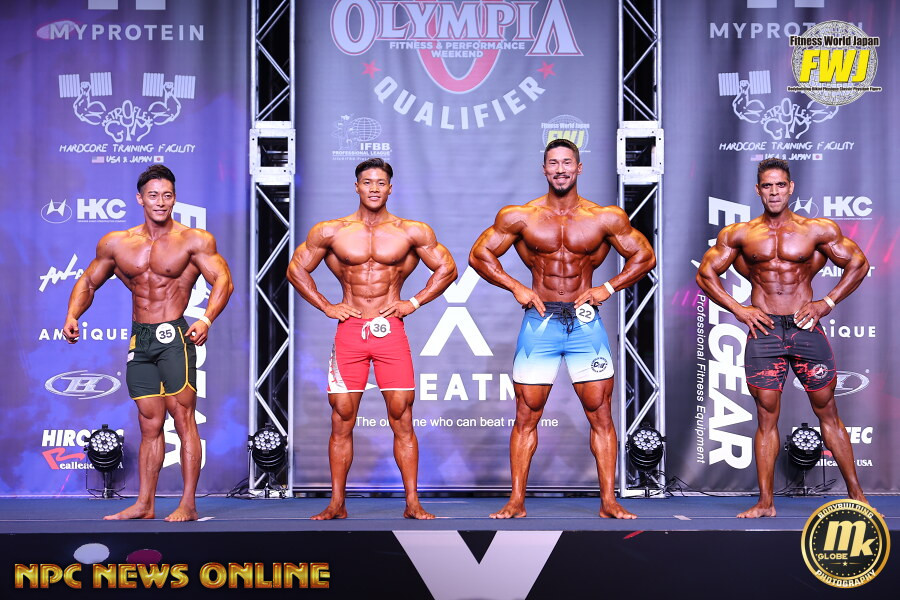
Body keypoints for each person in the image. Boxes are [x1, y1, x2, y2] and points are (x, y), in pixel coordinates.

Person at [469, 139, 656, 519]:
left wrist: (607, 287)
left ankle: (608, 502)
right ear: (544, 169)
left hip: (584, 322)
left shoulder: (604, 218)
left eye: (567, 163)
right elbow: (479, 255)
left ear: (579, 168)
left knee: (600, 413)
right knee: (526, 414)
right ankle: (516, 501)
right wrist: (516, 286)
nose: (560, 169)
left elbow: (645, 256)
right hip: (540, 322)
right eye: (553, 163)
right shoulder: (520, 216)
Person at [696, 157, 869, 518]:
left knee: (828, 410)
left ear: (791, 188)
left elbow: (859, 263)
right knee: (766, 416)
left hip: (805, 327)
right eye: (767, 186)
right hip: (764, 330)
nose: (774, 192)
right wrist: (738, 309)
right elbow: (705, 274)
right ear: (757, 190)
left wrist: (827, 302)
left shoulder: (816, 230)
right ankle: (765, 503)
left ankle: (858, 497)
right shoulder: (740, 234)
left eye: (779, 185)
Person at [287, 158, 457, 520]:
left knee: (402, 415)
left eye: (381, 183)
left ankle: (412, 503)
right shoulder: (331, 231)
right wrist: (326, 305)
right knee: (342, 417)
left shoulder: (411, 231)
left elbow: (447, 268)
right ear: (357, 187)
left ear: (390, 188)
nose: (374, 188)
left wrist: (413, 302)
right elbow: (296, 268)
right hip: (350, 330)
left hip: (390, 329)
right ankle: (337, 503)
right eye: (367, 182)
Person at [63, 165, 233, 522]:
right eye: (153, 195)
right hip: (140, 340)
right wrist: (73, 315)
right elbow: (89, 282)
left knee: (183, 418)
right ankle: (144, 504)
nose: (160, 202)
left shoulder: (193, 240)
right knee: (149, 423)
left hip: (174, 337)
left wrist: (206, 319)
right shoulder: (117, 243)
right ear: (140, 199)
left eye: (167, 195)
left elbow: (223, 280)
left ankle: (188, 503)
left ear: (175, 199)